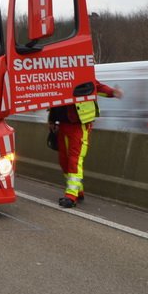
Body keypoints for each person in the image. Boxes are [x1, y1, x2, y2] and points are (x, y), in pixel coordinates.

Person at [48, 79, 123, 208]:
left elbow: (97, 87)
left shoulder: (81, 73)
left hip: (79, 125)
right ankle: (78, 190)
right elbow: (53, 97)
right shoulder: (58, 75)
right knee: (64, 160)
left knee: (74, 160)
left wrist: (112, 92)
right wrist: (52, 120)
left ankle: (71, 196)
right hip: (63, 125)